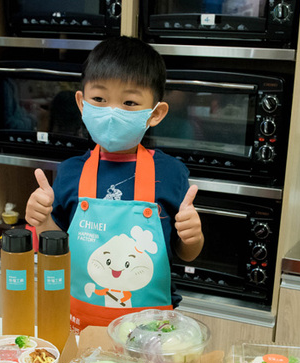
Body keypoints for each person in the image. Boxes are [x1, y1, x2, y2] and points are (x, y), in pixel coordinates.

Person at [25, 36, 203, 332]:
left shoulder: (171, 174)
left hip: (151, 333)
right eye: (99, 99)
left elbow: (185, 253)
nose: (112, 112)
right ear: (82, 103)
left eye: (129, 102)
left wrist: (193, 237)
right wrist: (41, 221)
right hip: (79, 327)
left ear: (155, 113)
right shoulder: (70, 173)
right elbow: (58, 249)